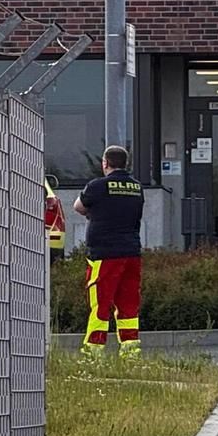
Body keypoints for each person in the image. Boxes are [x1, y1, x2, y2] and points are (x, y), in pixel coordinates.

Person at [74, 146, 144, 359]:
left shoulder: (97, 186)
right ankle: (130, 349)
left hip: (105, 254)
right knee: (129, 303)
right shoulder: (136, 187)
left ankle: (94, 350)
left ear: (105, 163)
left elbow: (78, 206)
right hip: (131, 252)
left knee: (101, 302)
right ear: (126, 163)